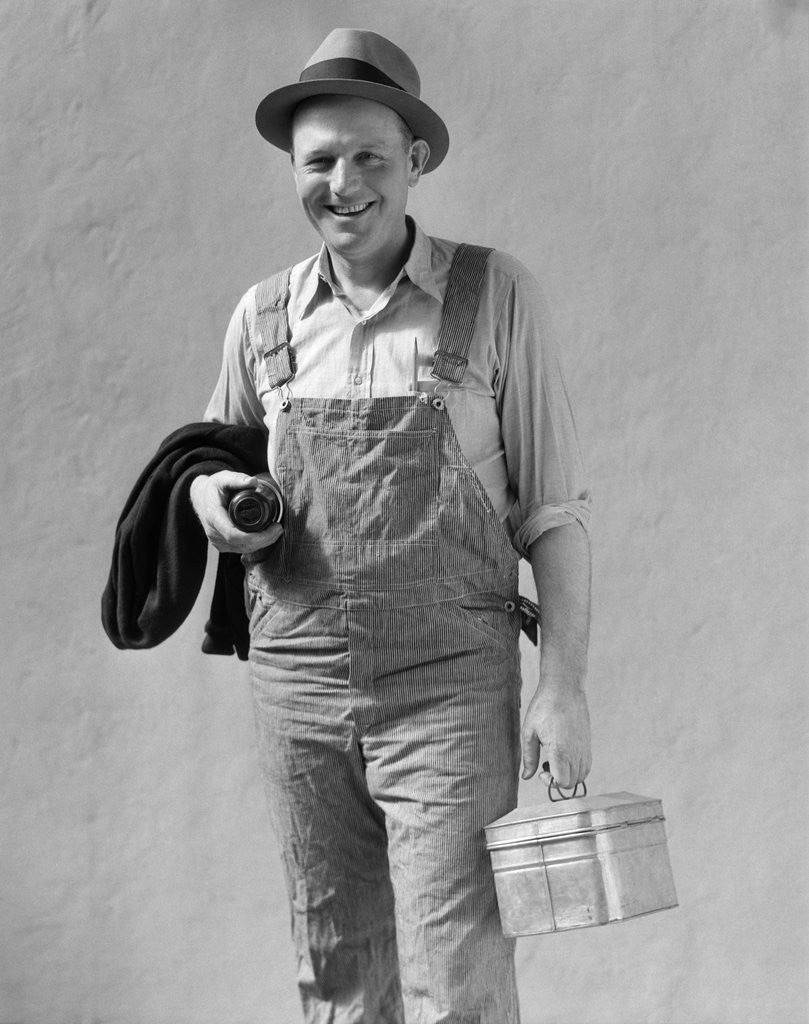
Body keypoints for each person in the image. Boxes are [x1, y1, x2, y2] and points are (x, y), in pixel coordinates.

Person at [190, 28, 592, 1024]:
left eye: (368, 156)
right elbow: (208, 468)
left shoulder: (493, 296)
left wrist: (564, 685)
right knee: (336, 969)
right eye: (318, 160)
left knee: (457, 976)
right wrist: (217, 508)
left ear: (414, 160)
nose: (344, 183)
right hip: (298, 683)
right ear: (293, 166)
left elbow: (554, 513)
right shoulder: (262, 317)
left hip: (448, 683)